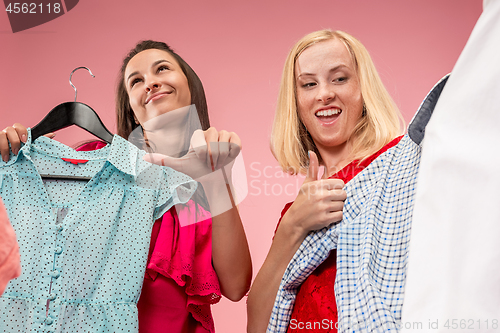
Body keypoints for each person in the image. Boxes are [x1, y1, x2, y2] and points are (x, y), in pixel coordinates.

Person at [0, 40, 252, 333]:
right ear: (131, 109)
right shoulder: (98, 166)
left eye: (162, 69)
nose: (151, 83)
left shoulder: (202, 187)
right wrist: (11, 161)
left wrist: (214, 175)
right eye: (137, 81)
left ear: (190, 85)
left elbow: (235, 286)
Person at [247, 30, 405, 332]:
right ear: (297, 103)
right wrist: (292, 226)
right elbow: (257, 326)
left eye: (339, 78)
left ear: (363, 88)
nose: (324, 94)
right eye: (309, 84)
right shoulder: (297, 212)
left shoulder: (398, 165)